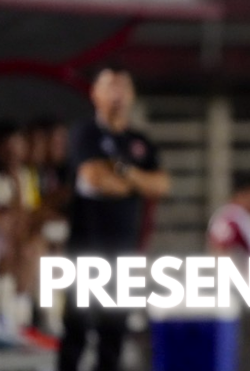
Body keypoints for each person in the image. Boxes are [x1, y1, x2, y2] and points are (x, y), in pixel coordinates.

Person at [58, 68, 170, 371]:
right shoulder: (85, 133)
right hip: (85, 249)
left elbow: (161, 184)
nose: (117, 94)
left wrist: (124, 172)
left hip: (124, 250)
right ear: (95, 93)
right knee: (77, 327)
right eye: (110, 86)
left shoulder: (139, 141)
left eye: (123, 87)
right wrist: (136, 182)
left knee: (114, 329)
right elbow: (94, 178)